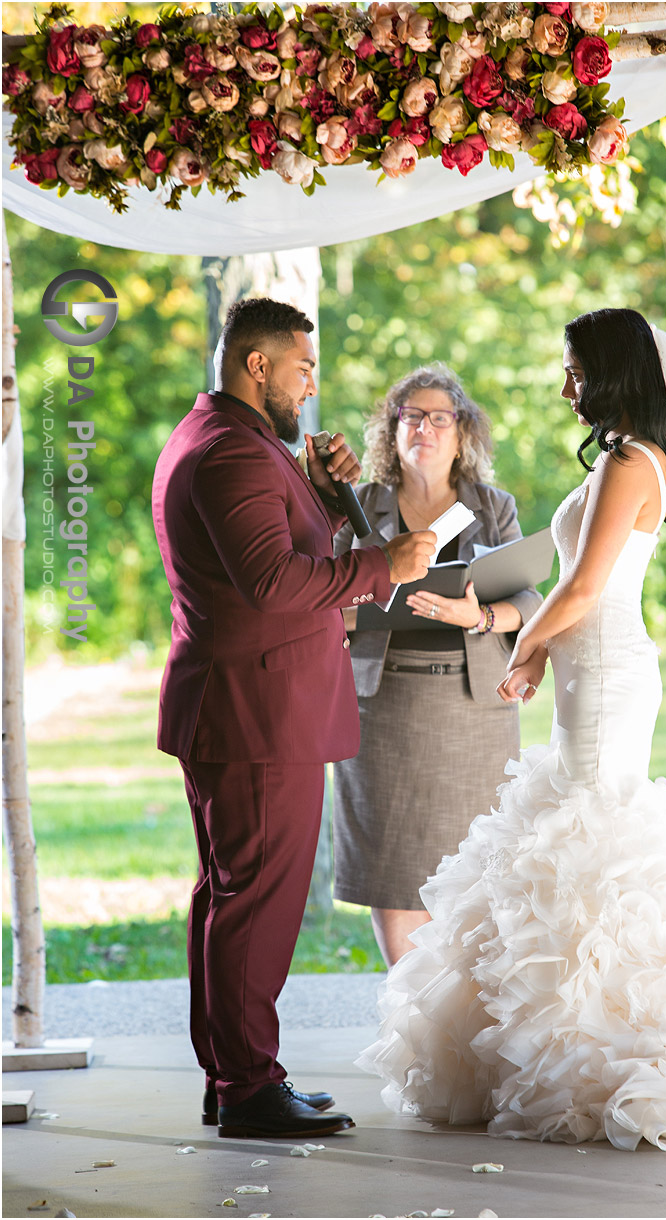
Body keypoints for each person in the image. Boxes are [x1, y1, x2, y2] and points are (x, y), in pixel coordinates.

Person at [357, 309, 666, 1150]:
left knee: (593, 841)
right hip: (588, 671)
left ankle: (606, 1048)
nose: (564, 387)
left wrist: (521, 649)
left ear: (610, 373)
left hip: (604, 675)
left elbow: (580, 586)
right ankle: (561, 1041)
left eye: (573, 371)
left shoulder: (631, 462)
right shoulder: (622, 458)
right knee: (571, 838)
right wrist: (535, 655)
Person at [151, 297, 435, 1140]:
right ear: (256, 365)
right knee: (254, 903)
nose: (311, 388)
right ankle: (245, 1088)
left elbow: (270, 548)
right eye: (302, 368)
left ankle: (236, 1077)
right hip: (255, 710)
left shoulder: (235, 445)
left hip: (241, 704)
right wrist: (381, 561)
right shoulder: (231, 457)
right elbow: (273, 584)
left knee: (228, 895)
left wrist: (315, 487)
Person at [332, 365, 544, 966]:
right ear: (391, 430)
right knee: (392, 865)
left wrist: (476, 617)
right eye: (411, 416)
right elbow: (324, 594)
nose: (424, 427)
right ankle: (406, 1010)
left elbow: (529, 600)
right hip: (383, 708)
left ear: (462, 433)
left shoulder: (492, 507)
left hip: (473, 710)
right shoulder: (360, 507)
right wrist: (359, 607)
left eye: (439, 417)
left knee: (476, 865)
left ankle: (456, 1012)